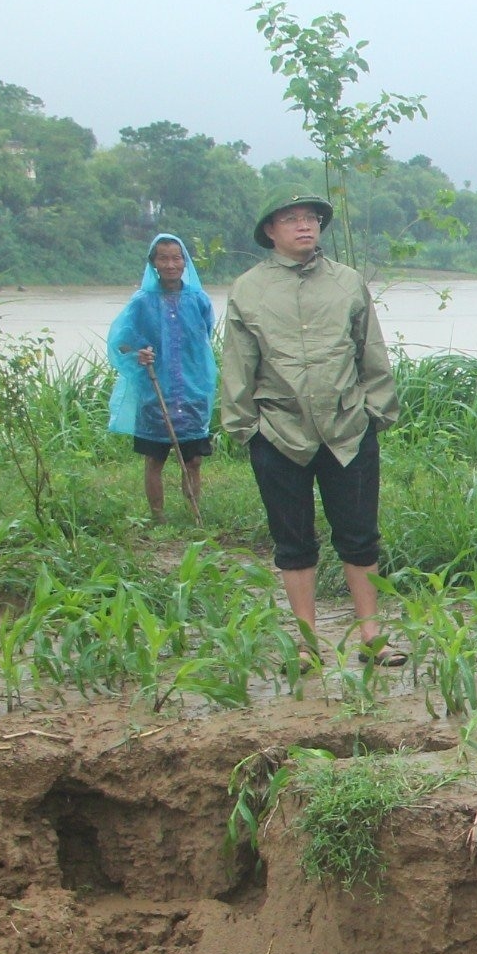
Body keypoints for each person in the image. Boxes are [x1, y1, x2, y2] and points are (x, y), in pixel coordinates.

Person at [220, 195, 400, 662]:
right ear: (270, 231)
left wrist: (374, 413)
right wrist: (245, 427)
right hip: (278, 431)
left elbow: (370, 351)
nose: (305, 226)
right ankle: (306, 643)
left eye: (312, 219)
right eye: (292, 219)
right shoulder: (248, 289)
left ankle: (372, 636)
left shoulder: (347, 283)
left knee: (360, 536)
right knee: (293, 541)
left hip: (347, 428)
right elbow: (239, 363)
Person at [106, 232, 216, 522]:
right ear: (153, 263)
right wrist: (138, 354)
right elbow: (122, 342)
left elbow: (204, 337)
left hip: (192, 392)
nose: (170, 264)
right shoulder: (141, 302)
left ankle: (194, 514)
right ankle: (158, 517)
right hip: (156, 393)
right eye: (163, 258)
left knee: (193, 460)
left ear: (185, 262)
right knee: (155, 458)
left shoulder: (198, 300)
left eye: (176, 258)